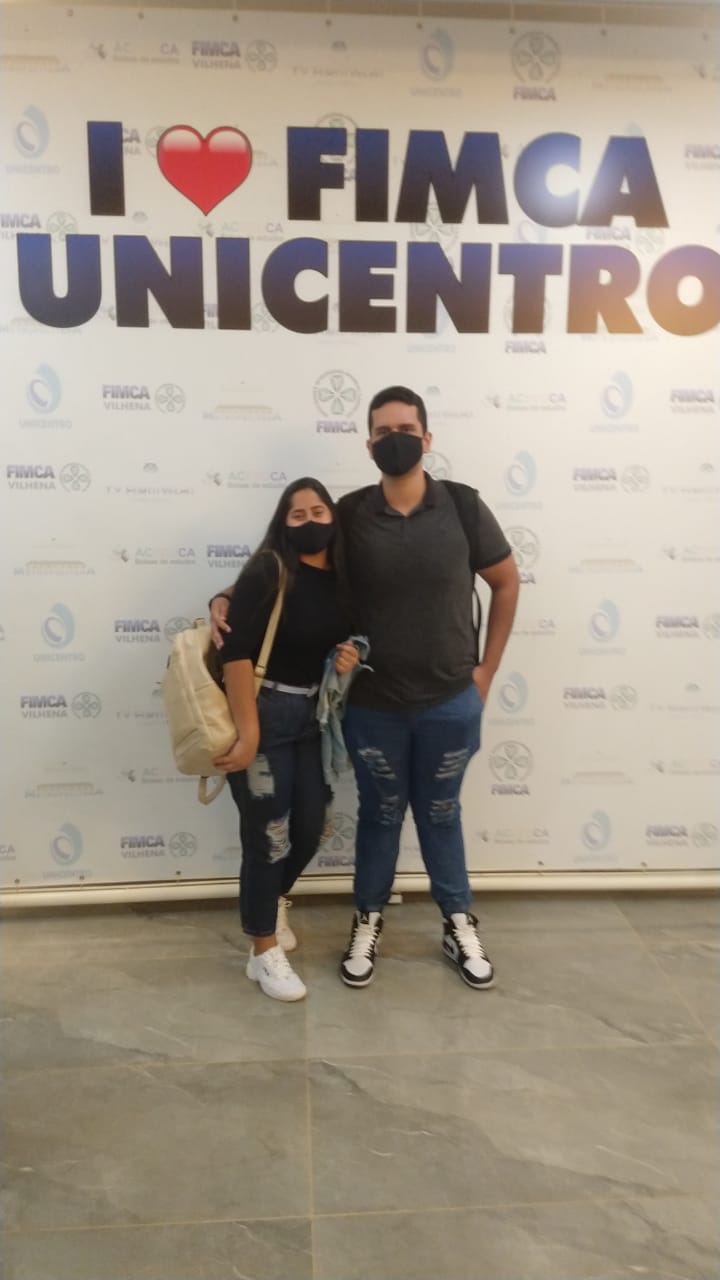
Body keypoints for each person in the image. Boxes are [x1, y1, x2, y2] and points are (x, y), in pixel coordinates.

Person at [334, 386, 519, 990]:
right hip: (373, 705)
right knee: (380, 814)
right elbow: (294, 568)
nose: (396, 440)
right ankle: (368, 918)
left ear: (428, 438)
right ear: (369, 445)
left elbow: (506, 582)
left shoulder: (462, 506)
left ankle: (457, 922)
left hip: (449, 703)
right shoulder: (350, 513)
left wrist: (486, 671)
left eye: (406, 430)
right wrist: (229, 596)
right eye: (383, 432)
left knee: (441, 813)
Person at [210, 478, 359, 1003]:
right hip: (265, 712)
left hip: (311, 718)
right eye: (298, 515)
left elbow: (345, 636)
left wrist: (348, 655)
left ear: (333, 518)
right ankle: (263, 951)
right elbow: (235, 653)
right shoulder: (270, 569)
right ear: (283, 523)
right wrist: (249, 732)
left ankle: (271, 903)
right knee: (268, 836)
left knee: (312, 827)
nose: (310, 521)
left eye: (319, 511)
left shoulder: (343, 577)